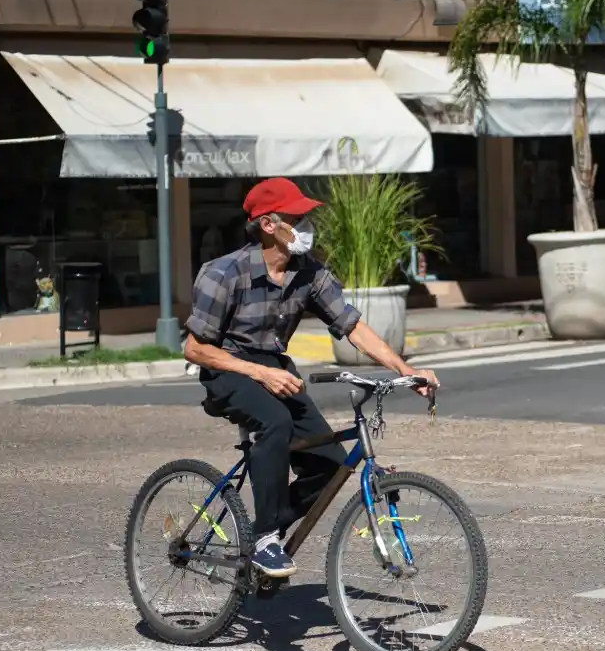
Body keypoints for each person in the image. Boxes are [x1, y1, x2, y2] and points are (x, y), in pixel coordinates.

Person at [183, 177, 438, 578]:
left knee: (331, 464)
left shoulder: (310, 273)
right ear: (269, 225)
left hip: (275, 369)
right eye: (297, 218)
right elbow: (195, 349)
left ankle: (260, 529)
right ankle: (267, 539)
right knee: (276, 422)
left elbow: (352, 326)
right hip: (228, 369)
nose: (307, 225)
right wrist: (259, 372)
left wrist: (407, 371)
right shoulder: (224, 273)